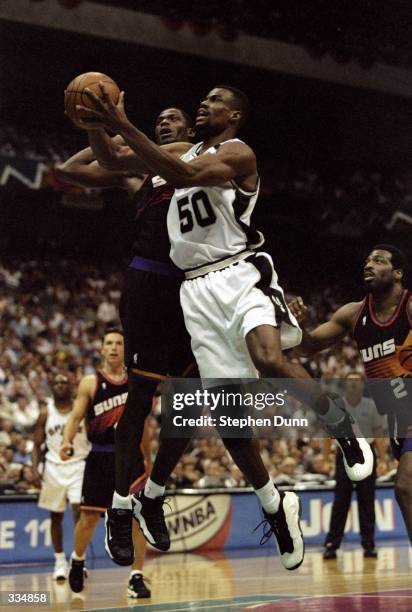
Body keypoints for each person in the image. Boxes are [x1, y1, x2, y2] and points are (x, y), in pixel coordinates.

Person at [75, 83, 372, 570]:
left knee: (270, 357)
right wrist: (94, 122)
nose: (204, 103)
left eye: (215, 100)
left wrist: (123, 122)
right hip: (196, 291)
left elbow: (185, 173)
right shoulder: (178, 147)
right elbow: (111, 162)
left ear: (233, 115)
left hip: (240, 270)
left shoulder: (237, 151)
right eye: (203, 98)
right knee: (230, 420)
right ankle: (277, 508)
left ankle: (340, 423)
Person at [57, 108, 196, 567]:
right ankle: (121, 506)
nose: (165, 121)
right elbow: (73, 170)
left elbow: (134, 155)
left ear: (190, 133)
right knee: (138, 401)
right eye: (160, 118)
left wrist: (118, 133)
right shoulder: (145, 178)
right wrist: (97, 127)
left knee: (189, 407)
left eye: (174, 118)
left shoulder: (199, 163)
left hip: (194, 292)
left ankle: (153, 493)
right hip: (149, 286)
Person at [289, 244, 412, 544]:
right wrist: (299, 327)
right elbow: (308, 346)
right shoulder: (353, 314)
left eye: (379, 261)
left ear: (397, 274)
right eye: (368, 260)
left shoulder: (409, 307)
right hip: (397, 419)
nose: (369, 264)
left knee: (405, 487)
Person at [59, 328, 151, 598]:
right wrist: (67, 441)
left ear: (125, 348)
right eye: (108, 343)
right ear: (101, 349)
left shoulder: (136, 382)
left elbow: (143, 425)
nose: (113, 347)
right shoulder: (90, 382)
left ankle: (136, 576)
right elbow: (75, 417)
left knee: (137, 518)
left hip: (131, 458)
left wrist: (148, 458)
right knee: (88, 518)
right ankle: (77, 560)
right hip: (100, 455)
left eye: (119, 343)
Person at [323, 372, 387, 559]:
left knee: (367, 501)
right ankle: (331, 544)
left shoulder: (371, 405)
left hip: (367, 453)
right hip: (344, 454)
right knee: (340, 501)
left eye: (356, 381)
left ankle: (368, 544)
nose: (353, 384)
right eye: (349, 380)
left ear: (362, 384)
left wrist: (383, 459)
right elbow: (329, 434)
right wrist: (326, 459)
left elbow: (378, 433)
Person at [33, 373, 90, 581]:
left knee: (78, 511)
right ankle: (59, 561)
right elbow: (36, 445)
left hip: (79, 464)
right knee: (55, 515)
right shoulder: (45, 412)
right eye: (56, 382)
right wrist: (34, 469)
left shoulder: (82, 408)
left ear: (71, 386)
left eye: (63, 382)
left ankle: (78, 560)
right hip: (53, 467)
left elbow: (94, 435)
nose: (59, 385)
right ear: (51, 386)